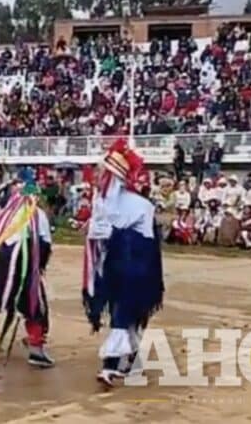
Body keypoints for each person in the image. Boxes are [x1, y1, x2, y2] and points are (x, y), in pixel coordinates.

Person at [82, 139, 163, 387]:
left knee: (122, 314)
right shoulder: (101, 202)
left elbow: (147, 242)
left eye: (103, 173)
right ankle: (129, 359)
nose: (98, 177)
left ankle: (110, 366)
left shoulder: (141, 205)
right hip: (114, 265)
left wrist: (114, 234)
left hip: (135, 267)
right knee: (123, 314)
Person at [0, 168, 54, 368]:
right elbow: (45, 244)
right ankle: (36, 350)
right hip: (23, 268)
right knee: (35, 305)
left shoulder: (0, 215)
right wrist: (38, 267)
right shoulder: (37, 214)